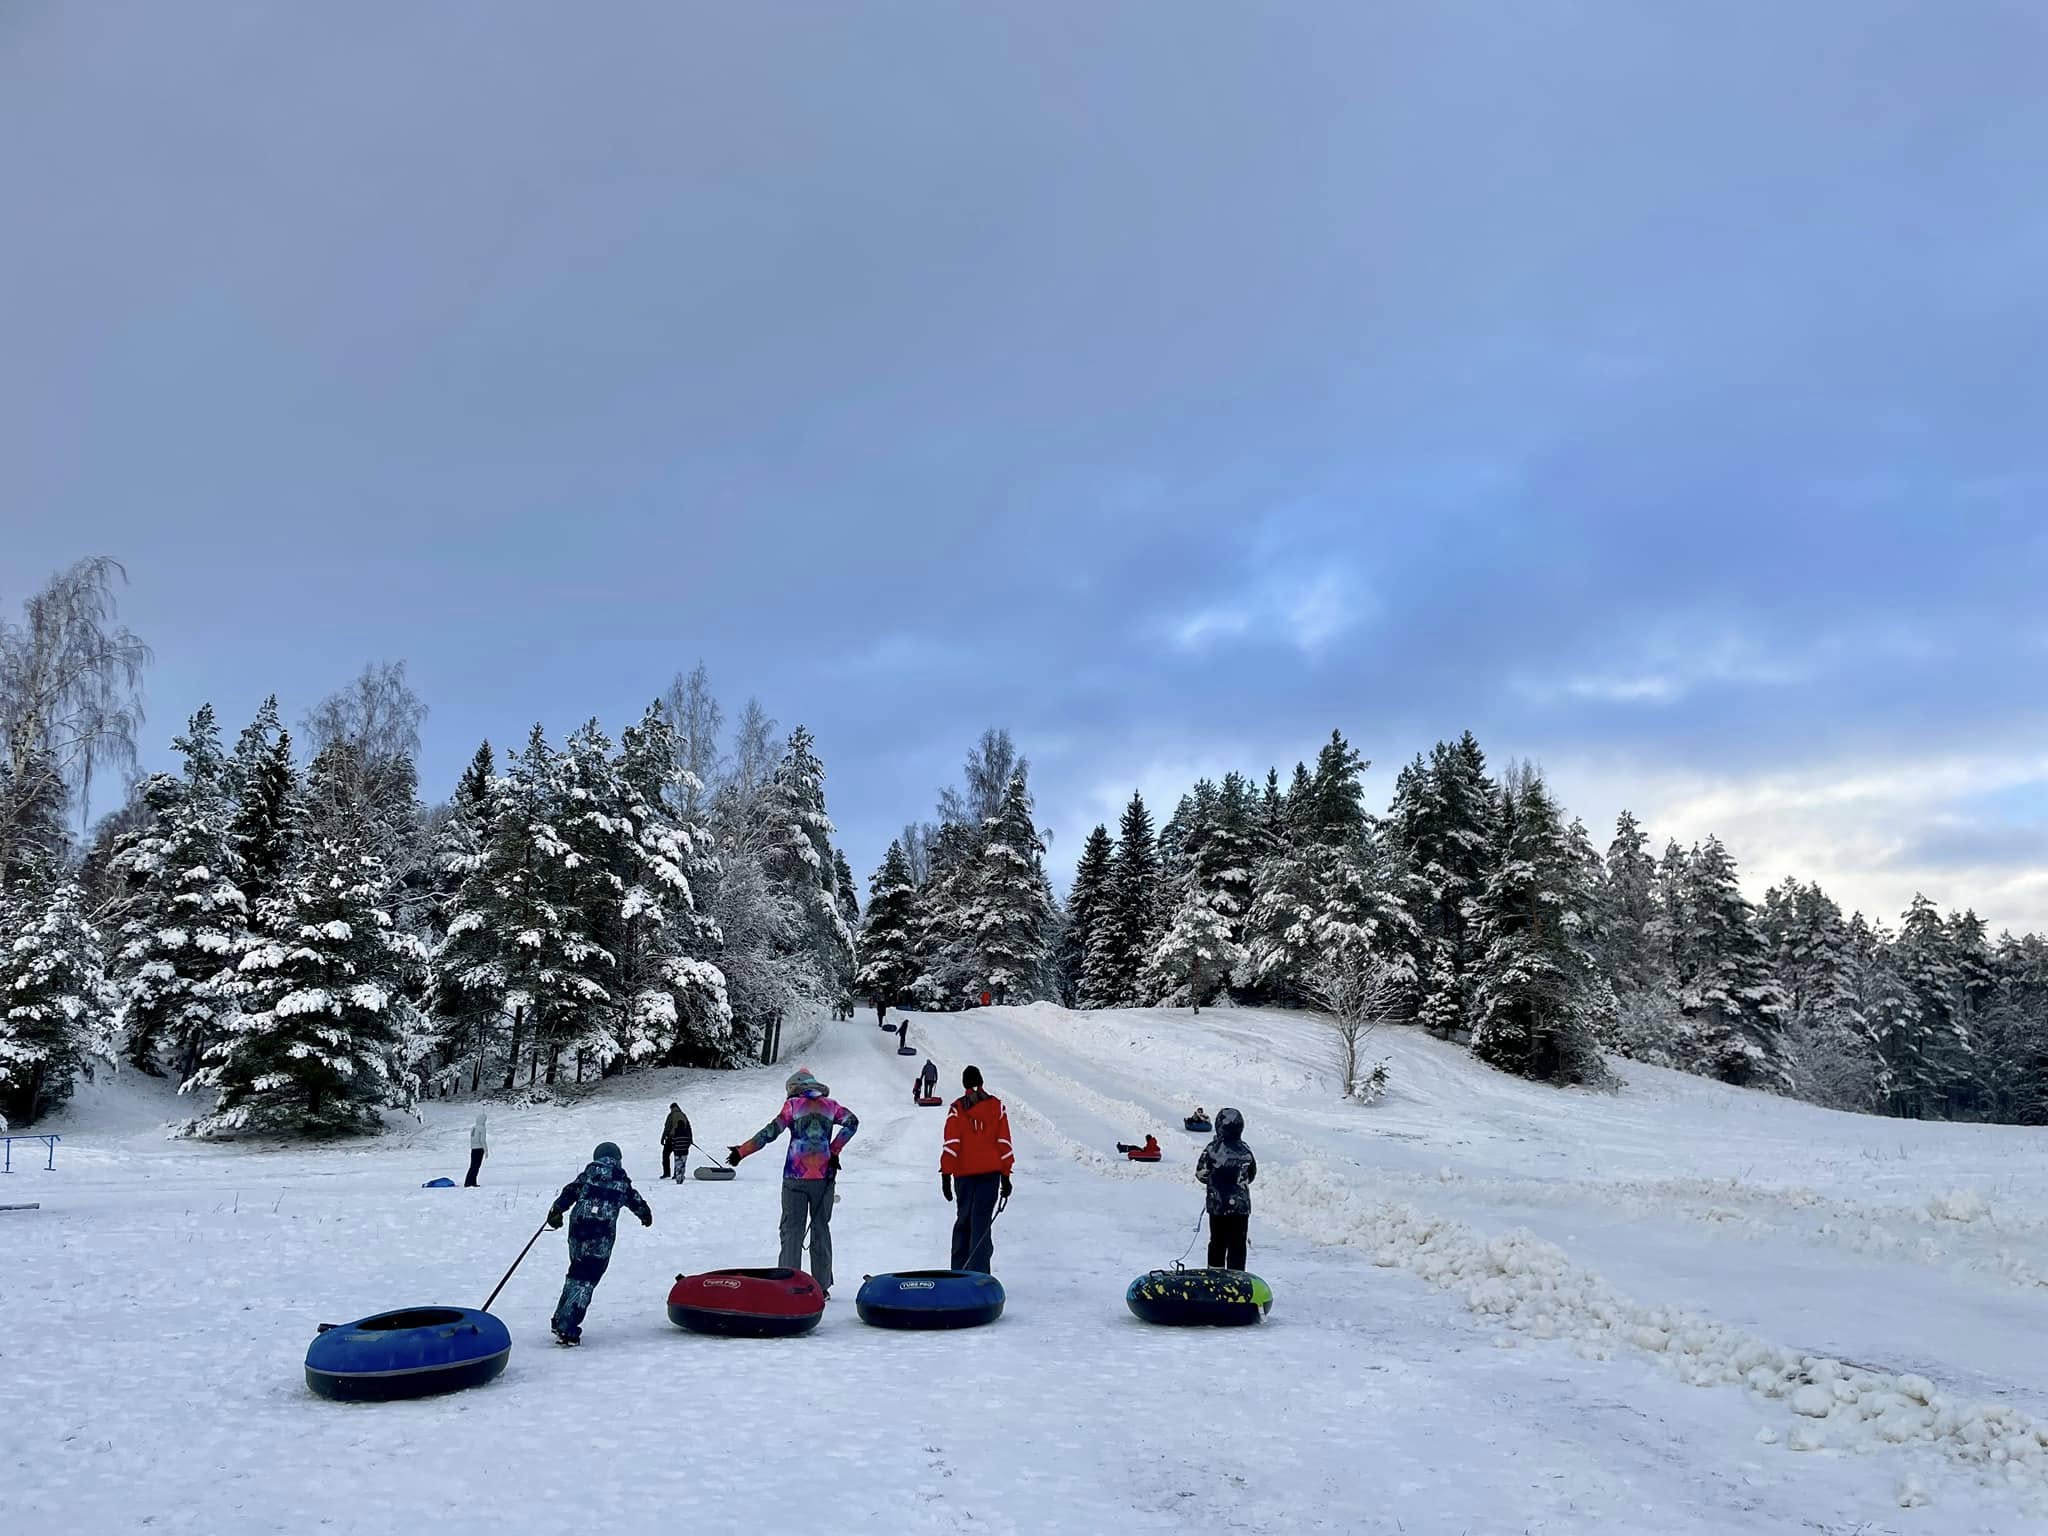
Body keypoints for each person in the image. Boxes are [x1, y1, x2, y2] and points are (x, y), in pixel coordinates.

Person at [726, 1067, 858, 1297]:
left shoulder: (793, 1106)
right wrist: (834, 1151)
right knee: (821, 1229)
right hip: (824, 1177)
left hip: (795, 1176)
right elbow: (853, 1122)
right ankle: (821, 1286)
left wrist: (741, 1151)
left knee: (791, 1230)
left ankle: (789, 1283)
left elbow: (770, 1132)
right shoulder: (832, 1106)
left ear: (794, 1087)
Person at [546, 1141, 652, 1345]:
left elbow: (569, 1192)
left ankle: (560, 1318)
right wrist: (645, 1215)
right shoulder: (621, 1181)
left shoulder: (588, 1175)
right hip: (600, 1236)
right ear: (618, 1159)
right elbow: (636, 1201)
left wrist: (557, 1210)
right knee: (586, 1279)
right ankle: (568, 1327)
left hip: (578, 1232)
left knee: (576, 1273)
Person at [940, 1065, 1014, 1275]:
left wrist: (946, 1174)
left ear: (964, 1084)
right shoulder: (996, 1107)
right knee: (981, 1224)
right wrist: (1006, 1176)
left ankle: (958, 1273)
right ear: (982, 1081)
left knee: (963, 1221)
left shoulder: (957, 1108)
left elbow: (951, 1143)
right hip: (990, 1175)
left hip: (963, 1176)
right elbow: (1004, 1143)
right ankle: (980, 1275)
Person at [1196, 1108, 1256, 1270]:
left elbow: (1201, 1173)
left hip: (1218, 1205)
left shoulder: (1212, 1149)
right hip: (1240, 1207)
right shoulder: (1245, 1149)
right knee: (1238, 1243)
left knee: (1217, 1241)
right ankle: (1237, 1275)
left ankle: (1216, 1273)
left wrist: (1214, 1181)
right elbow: (1251, 1174)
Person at [661, 1102, 693, 1182]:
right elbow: (689, 1127)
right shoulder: (683, 1115)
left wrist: (663, 1138)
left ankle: (667, 1173)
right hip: (683, 1138)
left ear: (672, 1108)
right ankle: (677, 1173)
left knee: (666, 1155)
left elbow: (667, 1127)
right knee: (679, 1156)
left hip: (672, 1138)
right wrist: (690, 1139)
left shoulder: (671, 1115)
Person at [465, 1109, 487, 1187]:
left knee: (472, 1166)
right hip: (479, 1149)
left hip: (473, 1149)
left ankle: (468, 1182)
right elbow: (482, 1140)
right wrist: (486, 1150)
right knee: (476, 1166)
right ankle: (472, 1182)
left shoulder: (473, 1128)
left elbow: (472, 1138)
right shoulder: (482, 1128)